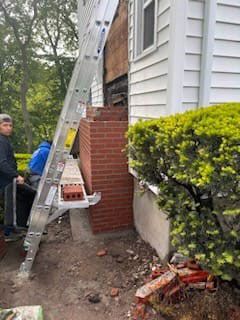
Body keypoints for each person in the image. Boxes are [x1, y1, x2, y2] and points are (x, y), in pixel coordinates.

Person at [0, 114, 35, 241]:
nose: (8, 128)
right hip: (6, 181)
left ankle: (21, 226)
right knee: (11, 207)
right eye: (5, 125)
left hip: (10, 179)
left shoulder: (4, 139)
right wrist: (16, 175)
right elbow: (2, 163)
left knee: (27, 196)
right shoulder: (1, 141)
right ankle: (10, 234)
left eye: (10, 125)